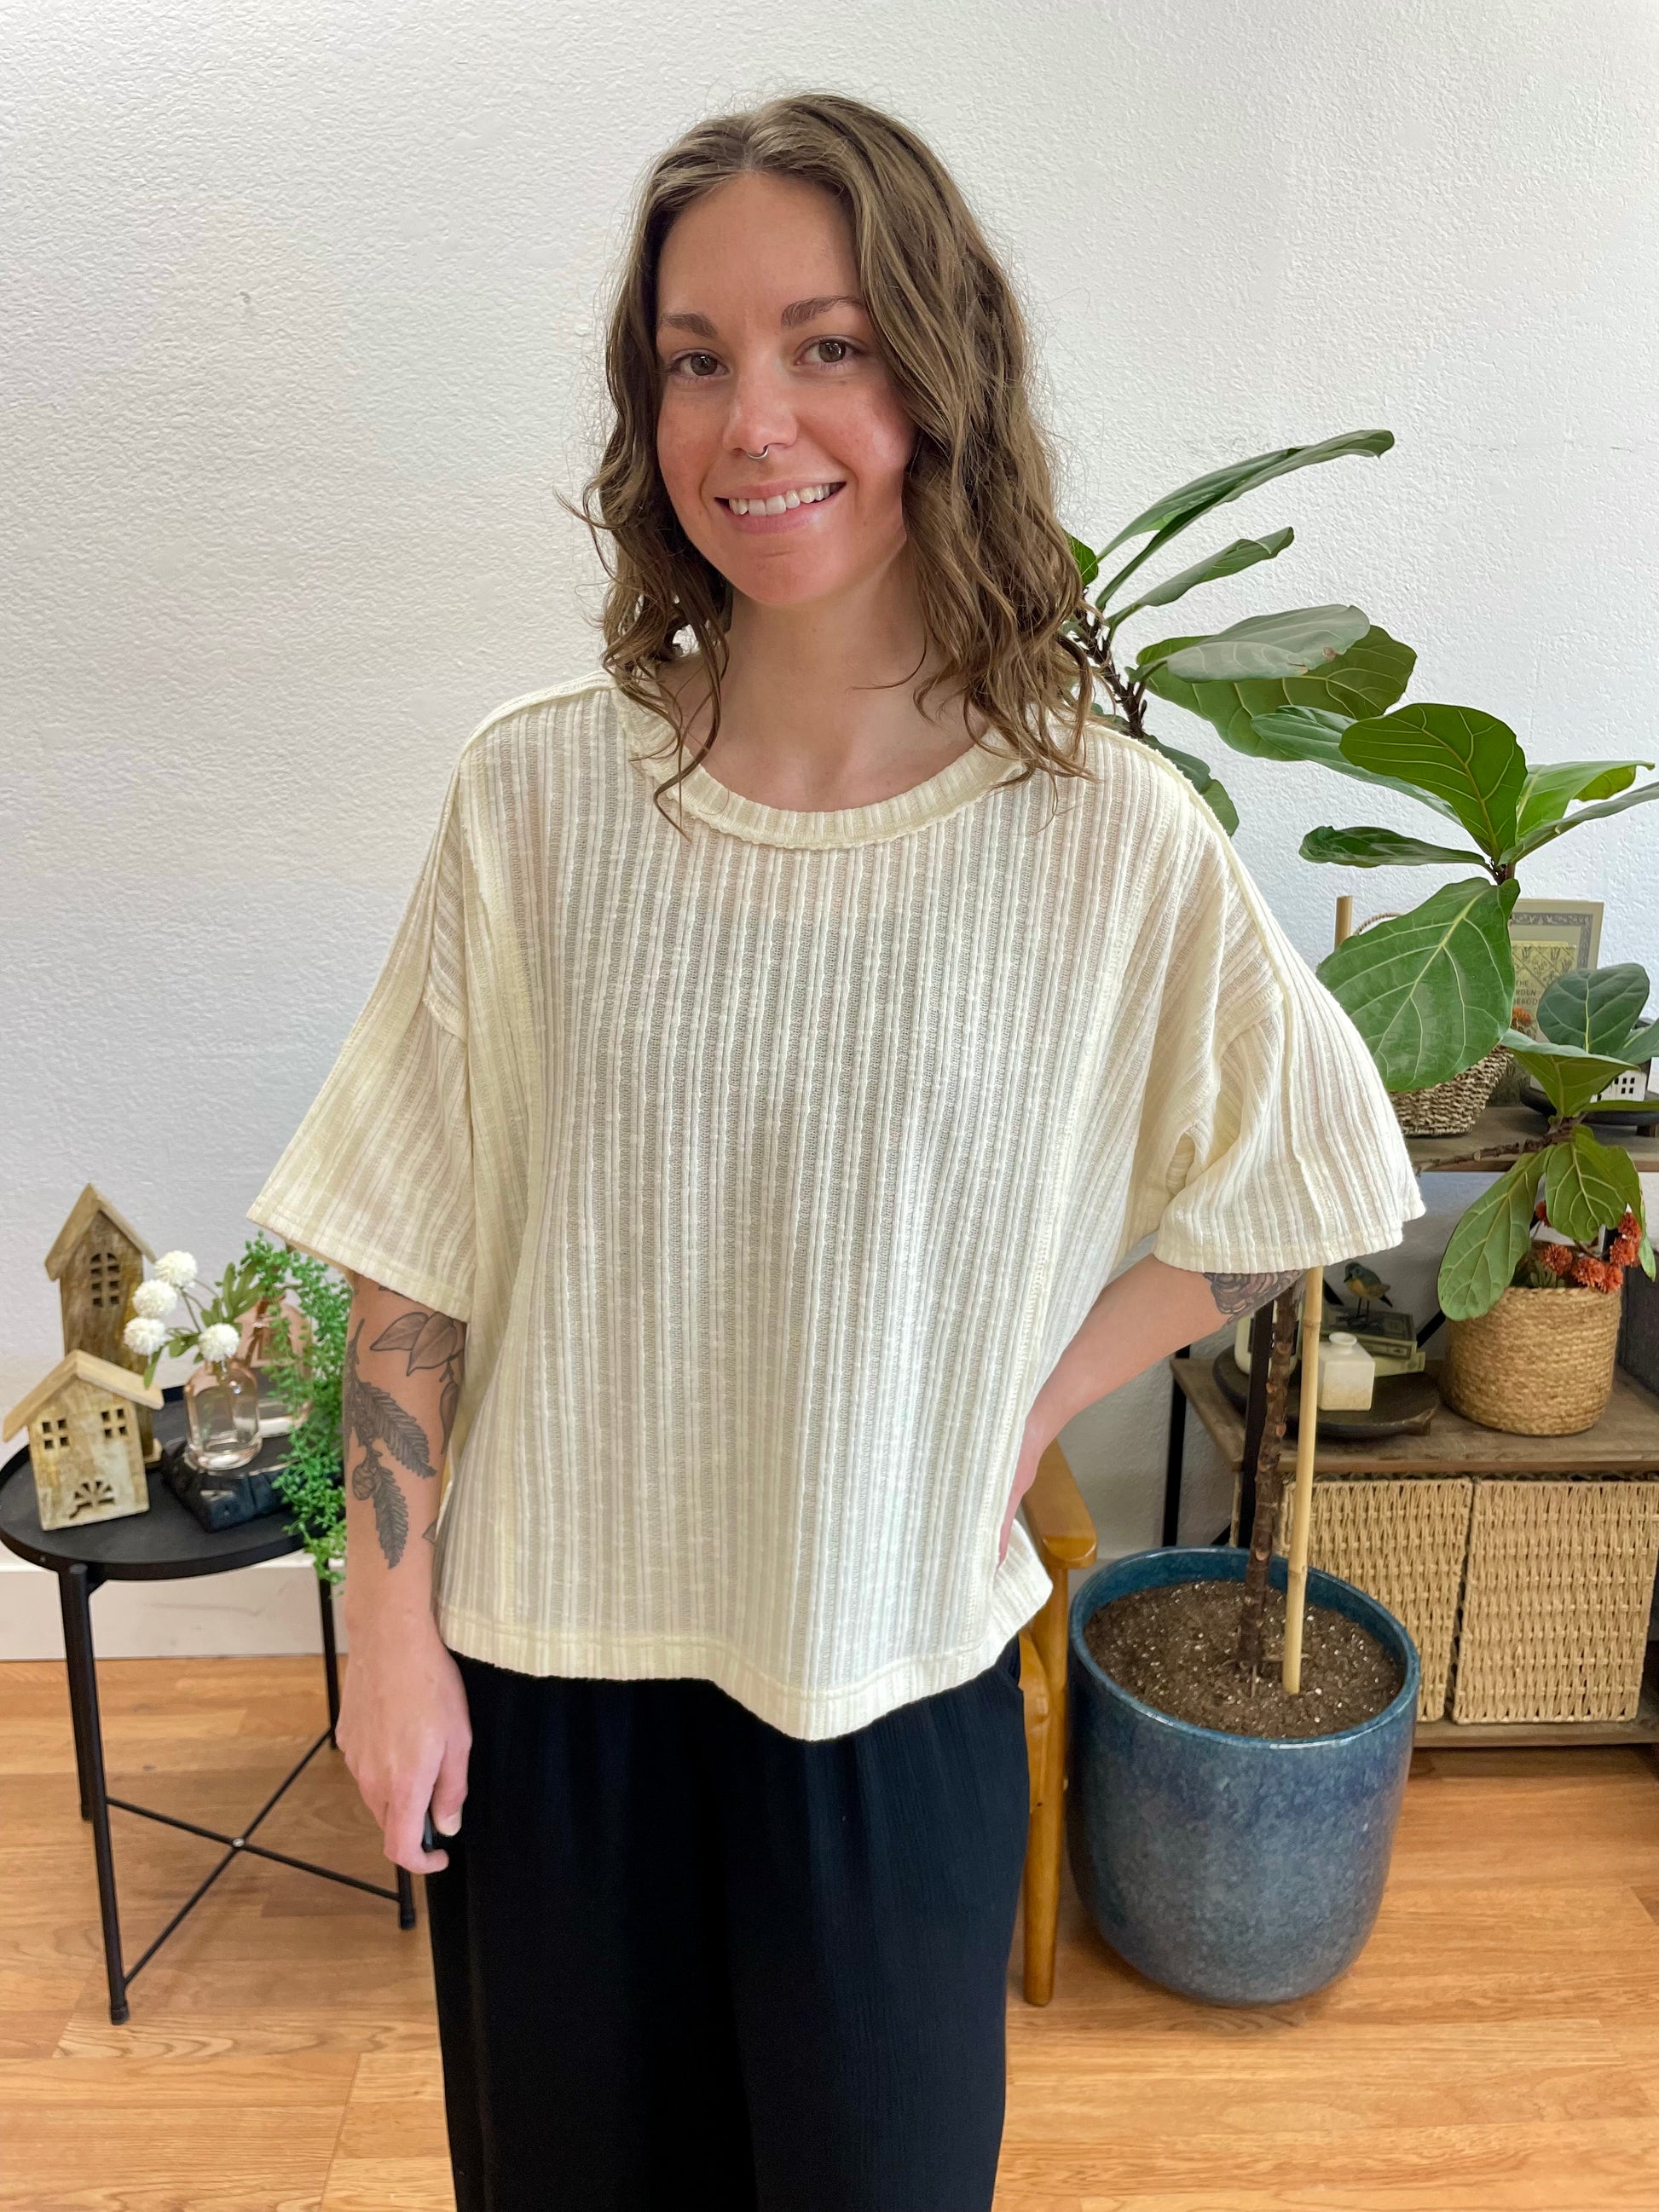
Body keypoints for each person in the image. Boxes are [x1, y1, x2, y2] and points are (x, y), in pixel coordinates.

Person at [246, 90, 1423, 2212]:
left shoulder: (1101, 832)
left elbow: (1310, 1170)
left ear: (936, 377)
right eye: (693, 358)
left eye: (827, 344)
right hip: (547, 1688)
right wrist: (389, 1638)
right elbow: (407, 1242)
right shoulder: (535, 799)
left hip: (889, 1675)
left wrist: (1030, 1396)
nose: (751, 420)